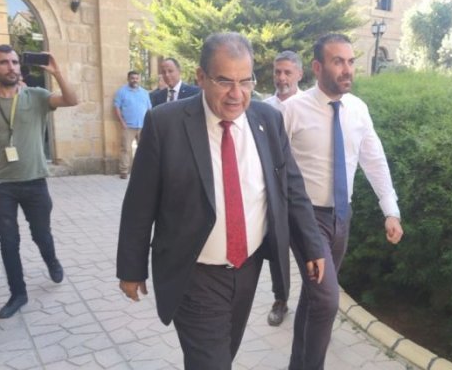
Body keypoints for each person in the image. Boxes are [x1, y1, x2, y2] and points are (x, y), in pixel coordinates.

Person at [116, 32, 327, 370]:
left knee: (224, 352)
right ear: (201, 77)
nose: (236, 94)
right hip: (194, 274)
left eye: (245, 81)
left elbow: (293, 189)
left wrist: (312, 245)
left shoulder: (268, 120)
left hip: (248, 269)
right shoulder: (165, 123)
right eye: (225, 81)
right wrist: (131, 268)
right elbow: (140, 203)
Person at [282, 34, 404, 370]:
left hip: (341, 218)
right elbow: (273, 167)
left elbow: (374, 160)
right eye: (338, 62)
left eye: (350, 61)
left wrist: (390, 211)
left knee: (314, 297)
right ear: (317, 67)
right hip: (307, 219)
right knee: (326, 301)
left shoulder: (358, 110)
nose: (347, 69)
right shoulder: (292, 110)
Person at [0, 45, 79, 319]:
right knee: (8, 241)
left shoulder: (37, 96)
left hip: (35, 182)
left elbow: (72, 100)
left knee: (41, 234)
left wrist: (57, 72)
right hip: (1, 184)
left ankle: (51, 261)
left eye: (15, 62)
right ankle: (18, 293)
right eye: (4, 63)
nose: (12, 67)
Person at [263, 50, 304, 326]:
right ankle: (281, 299)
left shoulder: (311, 106)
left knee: (309, 247)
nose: (281, 77)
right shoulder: (262, 108)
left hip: (303, 194)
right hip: (272, 193)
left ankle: (315, 303)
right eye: (278, 72)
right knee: (278, 250)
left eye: (288, 72)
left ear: (299, 74)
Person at [113, 71, 151, 179]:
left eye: (136, 78)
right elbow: (116, 107)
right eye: (132, 78)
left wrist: (149, 123)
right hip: (128, 126)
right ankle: (124, 171)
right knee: (126, 149)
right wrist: (122, 122)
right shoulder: (121, 92)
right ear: (128, 79)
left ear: (139, 79)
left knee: (144, 149)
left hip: (143, 126)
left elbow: (149, 108)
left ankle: (142, 170)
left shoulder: (145, 92)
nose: (135, 80)